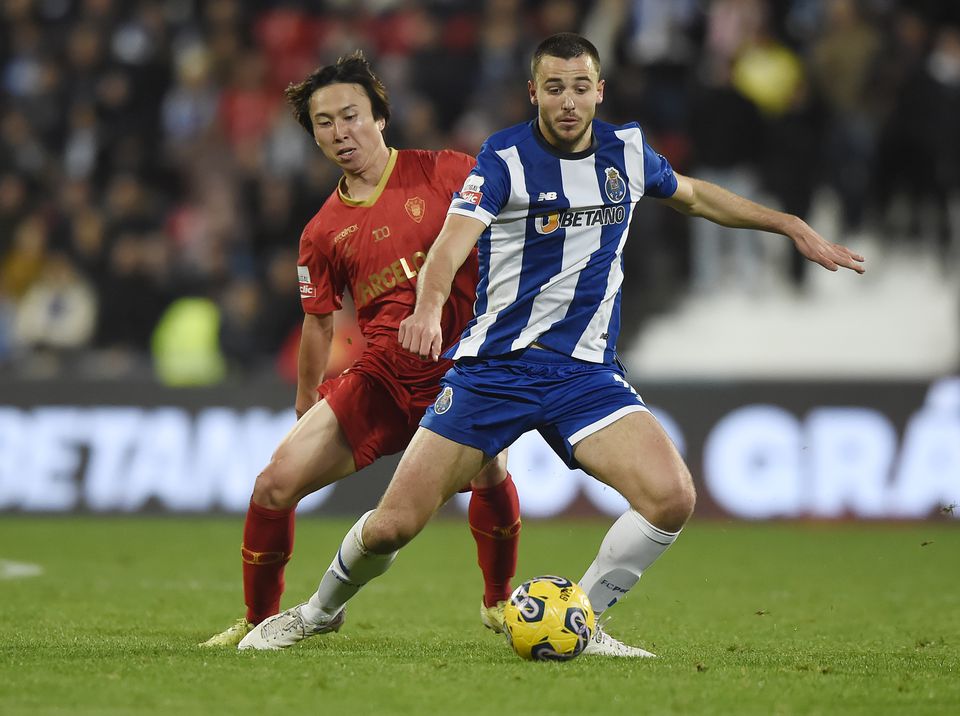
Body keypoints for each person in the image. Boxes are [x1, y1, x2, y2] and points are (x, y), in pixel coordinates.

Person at [239, 33, 865, 656]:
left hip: (583, 375)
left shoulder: (628, 150)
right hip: (491, 371)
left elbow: (697, 196)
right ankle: (316, 613)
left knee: (671, 498)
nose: (569, 101)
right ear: (534, 92)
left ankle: (582, 624)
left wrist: (789, 224)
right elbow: (451, 245)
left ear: (600, 91)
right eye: (555, 88)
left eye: (581, 86)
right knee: (392, 526)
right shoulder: (503, 159)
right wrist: (428, 309)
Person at [201, 53, 522, 647]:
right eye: (324, 123)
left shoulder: (447, 172)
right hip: (381, 377)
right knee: (274, 485)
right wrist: (305, 403)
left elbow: (517, 226)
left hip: (462, 374)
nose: (339, 132)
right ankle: (257, 621)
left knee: (491, 470)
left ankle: (499, 602)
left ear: (380, 117)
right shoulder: (322, 231)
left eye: (350, 116)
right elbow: (318, 325)